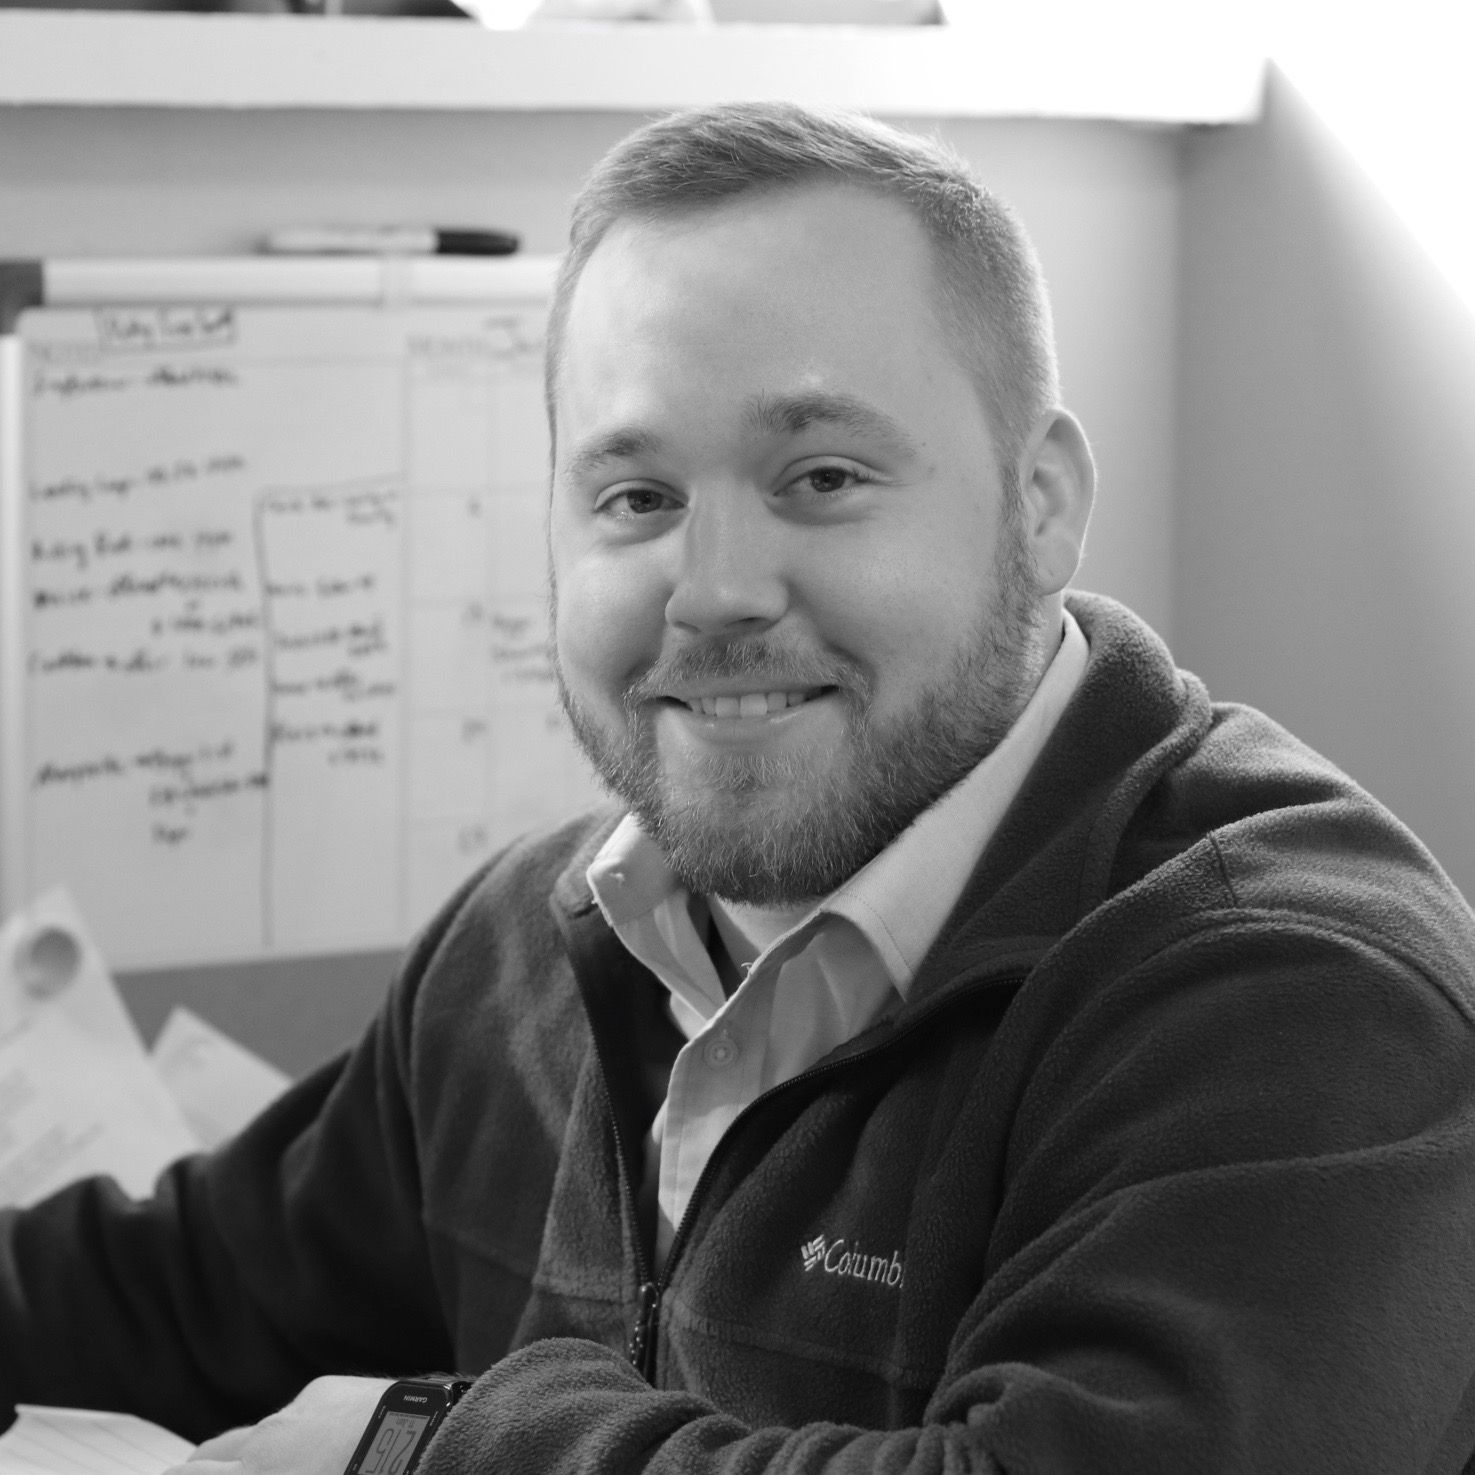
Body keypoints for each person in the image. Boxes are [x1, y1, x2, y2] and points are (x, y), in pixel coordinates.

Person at [5, 101, 1475, 1475]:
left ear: (1043, 504)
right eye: (636, 498)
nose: (711, 592)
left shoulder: (1293, 995)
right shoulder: (523, 947)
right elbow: (172, 1301)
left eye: (820, 476)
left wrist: (433, 1447)